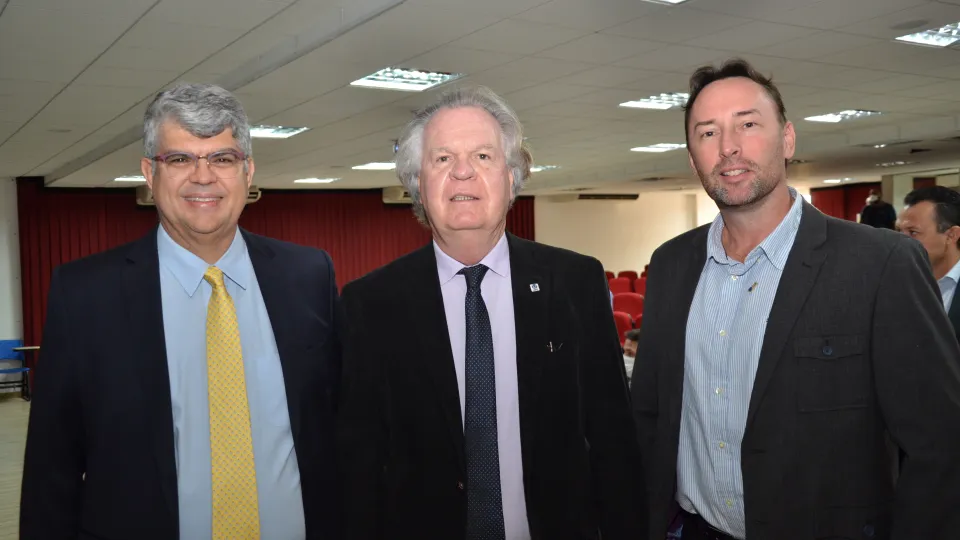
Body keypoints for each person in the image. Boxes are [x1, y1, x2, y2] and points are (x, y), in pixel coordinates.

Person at [631, 58, 960, 540]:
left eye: (747, 124)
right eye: (708, 133)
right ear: (692, 159)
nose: (728, 146)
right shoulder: (671, 265)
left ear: (787, 140)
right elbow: (650, 417)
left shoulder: (880, 264)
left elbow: (940, 445)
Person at [20, 83, 342, 540]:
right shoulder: (84, 295)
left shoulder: (308, 275)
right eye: (180, 159)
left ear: (248, 171)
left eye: (222, 158)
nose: (203, 177)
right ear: (149, 174)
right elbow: (51, 472)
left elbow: (344, 429)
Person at [338, 86, 644, 539]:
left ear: (511, 177)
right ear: (417, 183)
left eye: (482, 156)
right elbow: (359, 466)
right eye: (442, 159)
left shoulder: (575, 283)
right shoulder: (370, 303)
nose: (462, 172)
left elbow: (613, 441)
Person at [899, 186, 960, 338]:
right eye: (899, 231)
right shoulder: (894, 283)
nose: (900, 242)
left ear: (951, 235)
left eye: (913, 232)